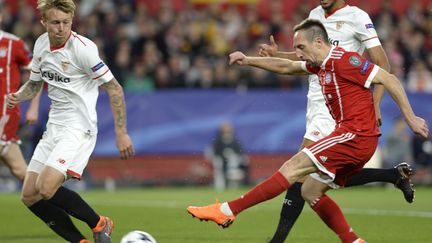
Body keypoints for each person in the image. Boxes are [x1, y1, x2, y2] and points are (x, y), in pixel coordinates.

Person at [187, 18, 429, 243]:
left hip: (355, 135)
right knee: (310, 190)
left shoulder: (343, 61)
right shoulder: (320, 65)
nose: (298, 52)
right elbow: (287, 66)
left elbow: (390, 79)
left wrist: (411, 118)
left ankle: (227, 211)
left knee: (293, 167)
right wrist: (249, 60)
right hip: (353, 137)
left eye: (301, 46)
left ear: (318, 42)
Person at [257, 1, 416, 241]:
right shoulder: (315, 14)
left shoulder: (356, 17)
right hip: (317, 99)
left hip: (339, 105)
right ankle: (393, 176)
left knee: (299, 172)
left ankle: (276, 240)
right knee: (322, 176)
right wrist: (277, 54)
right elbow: (306, 56)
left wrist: (375, 103)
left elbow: (382, 65)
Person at [7, 1, 134, 243]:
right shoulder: (41, 44)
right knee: (30, 196)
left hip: (78, 128)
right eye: (55, 22)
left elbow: (115, 89)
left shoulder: (84, 49)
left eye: (66, 22)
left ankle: (99, 223)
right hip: (54, 127)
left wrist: (122, 132)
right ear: (44, 22)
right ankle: (80, 241)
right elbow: (35, 84)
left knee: (46, 188)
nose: (61, 28)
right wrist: (19, 96)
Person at [0, 11, 41, 182]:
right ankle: (53, 195)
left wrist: (33, 107)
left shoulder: (13, 43)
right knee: (20, 171)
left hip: (4, 115)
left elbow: (37, 72)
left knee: (20, 170)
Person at [209, 122, 249, 190]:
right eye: (225, 129)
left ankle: (233, 186)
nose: (227, 131)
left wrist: (235, 156)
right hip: (221, 161)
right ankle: (220, 187)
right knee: (220, 171)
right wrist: (223, 155)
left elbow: (240, 152)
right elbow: (214, 152)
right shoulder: (218, 141)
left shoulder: (235, 140)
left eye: (228, 129)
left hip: (233, 162)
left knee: (235, 169)